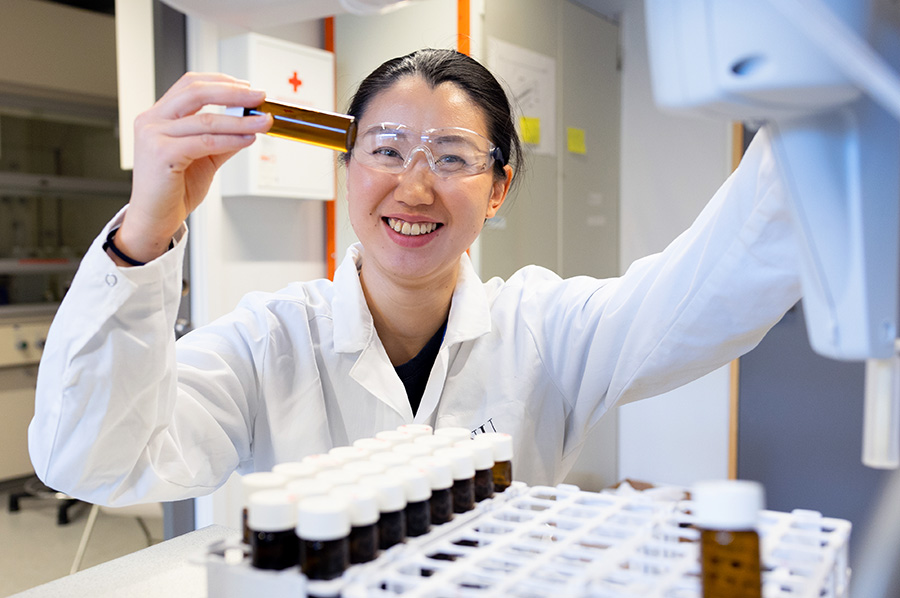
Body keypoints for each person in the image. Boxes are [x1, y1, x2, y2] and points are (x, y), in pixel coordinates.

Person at [29, 48, 799, 506]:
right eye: (388, 150)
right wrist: (143, 232)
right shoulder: (267, 343)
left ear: (498, 189)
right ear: (347, 167)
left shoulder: (546, 330)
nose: (415, 188)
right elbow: (95, 462)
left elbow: (707, 295)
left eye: (454, 158)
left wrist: (810, 129)